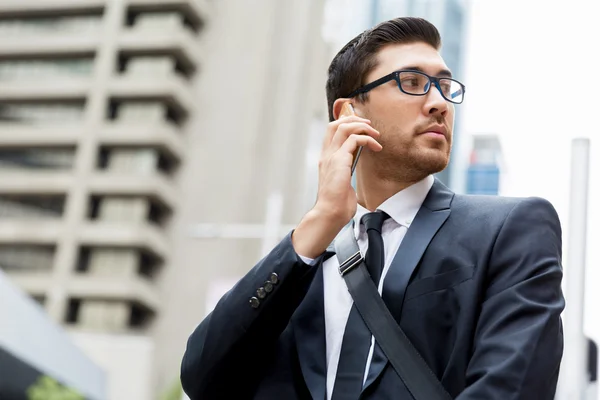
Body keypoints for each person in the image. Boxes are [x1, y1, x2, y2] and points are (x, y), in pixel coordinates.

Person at [180, 17, 564, 399]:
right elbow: (203, 379)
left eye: (444, 86)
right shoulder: (302, 262)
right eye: (412, 83)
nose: (439, 104)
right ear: (349, 114)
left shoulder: (511, 230)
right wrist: (319, 223)